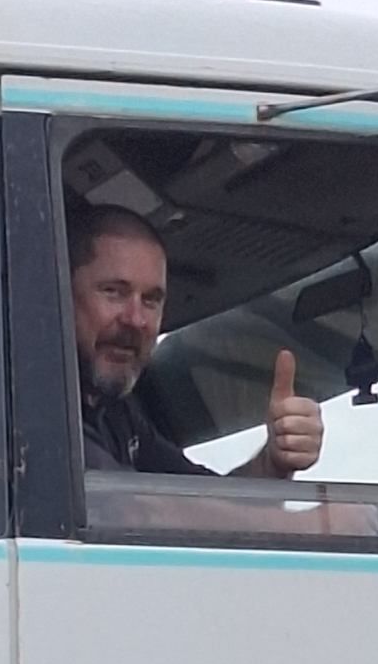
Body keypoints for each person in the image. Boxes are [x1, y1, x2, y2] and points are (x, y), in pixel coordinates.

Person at [69, 204, 325, 480]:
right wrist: (314, 521)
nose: (136, 320)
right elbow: (135, 510)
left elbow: (199, 499)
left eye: (151, 300)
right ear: (62, 290)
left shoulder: (117, 414)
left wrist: (273, 462)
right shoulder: (33, 402)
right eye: (114, 292)